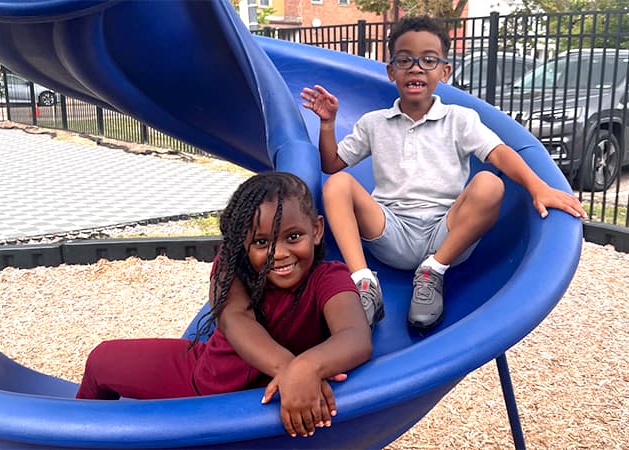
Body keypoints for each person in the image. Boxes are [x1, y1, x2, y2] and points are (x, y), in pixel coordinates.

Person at [300, 16, 586, 330]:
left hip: (447, 235)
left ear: (444, 71)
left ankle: (432, 272)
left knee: (489, 183)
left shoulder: (460, 119)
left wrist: (537, 187)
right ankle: (364, 283)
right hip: (391, 230)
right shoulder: (374, 122)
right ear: (391, 71)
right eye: (405, 60)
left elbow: (500, 153)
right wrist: (327, 124)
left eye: (429, 60)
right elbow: (332, 164)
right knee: (338, 184)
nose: (416, 68)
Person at [75, 171, 372, 438]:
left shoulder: (328, 278)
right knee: (102, 360)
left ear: (317, 230)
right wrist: (290, 370)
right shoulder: (232, 268)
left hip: (249, 392)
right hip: (202, 382)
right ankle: (78, 439)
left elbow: (355, 335)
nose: (278, 253)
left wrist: (307, 367)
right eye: (261, 242)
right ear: (242, 242)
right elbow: (235, 319)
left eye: (293, 237)